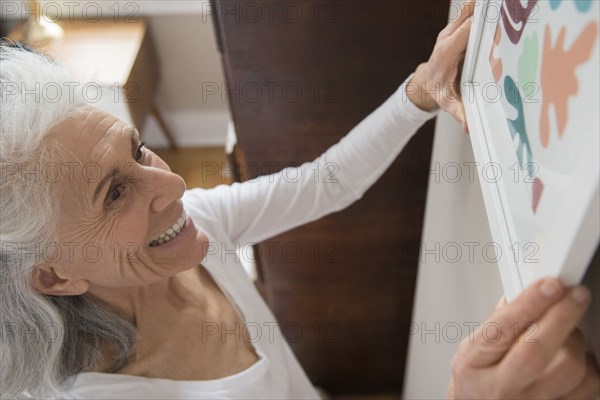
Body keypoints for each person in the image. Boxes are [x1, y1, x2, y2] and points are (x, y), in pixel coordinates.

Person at [0, 1, 598, 398]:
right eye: (115, 194)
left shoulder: (193, 228)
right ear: (53, 275)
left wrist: (418, 91)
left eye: (136, 150)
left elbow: (324, 182)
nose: (175, 185)